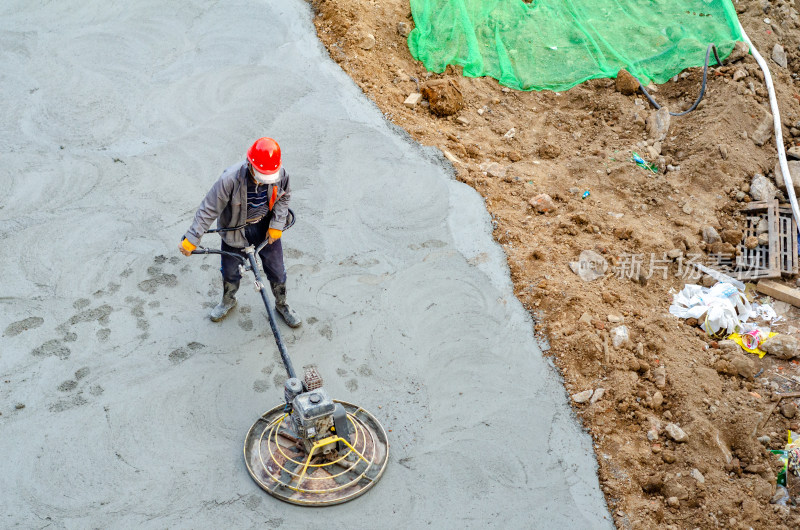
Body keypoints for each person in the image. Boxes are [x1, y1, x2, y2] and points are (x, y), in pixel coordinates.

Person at [179, 137, 301, 328]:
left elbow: (284, 198)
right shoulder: (229, 179)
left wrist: (277, 224)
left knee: (277, 270)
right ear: (250, 164)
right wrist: (192, 238)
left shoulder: (281, 174)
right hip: (235, 229)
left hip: (265, 226)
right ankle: (228, 300)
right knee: (230, 271)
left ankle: (282, 304)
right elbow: (208, 209)